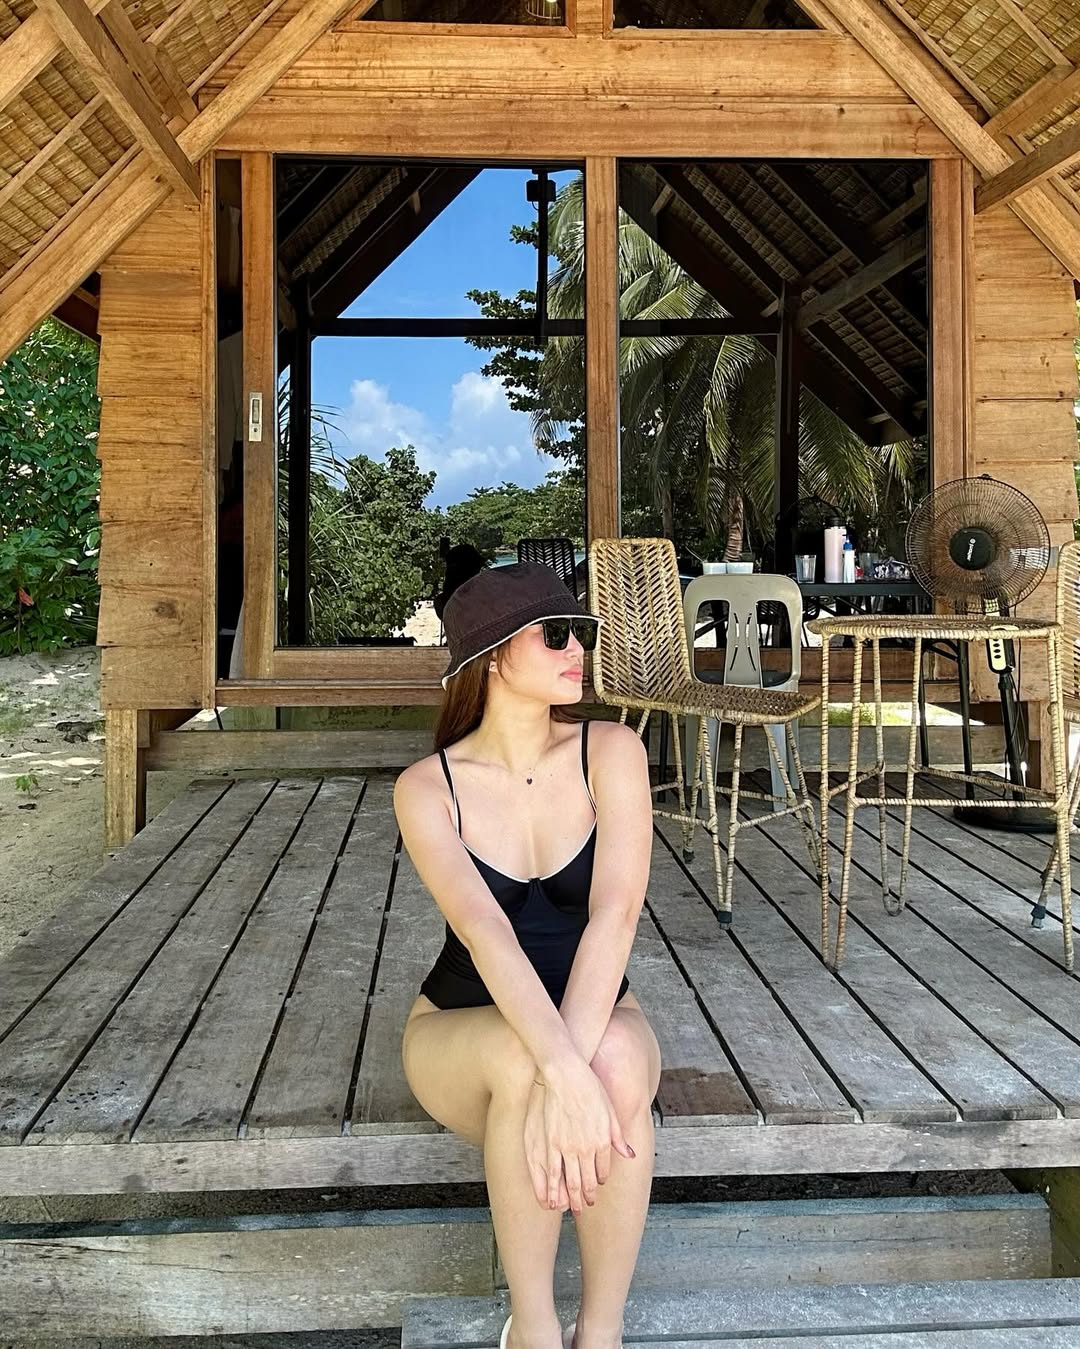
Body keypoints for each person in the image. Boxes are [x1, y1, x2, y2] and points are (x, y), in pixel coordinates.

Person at [394, 562, 661, 1349]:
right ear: (492, 655)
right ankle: (534, 1329)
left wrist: (571, 1070)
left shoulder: (611, 750)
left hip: (596, 1007)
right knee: (525, 1060)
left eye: (581, 631)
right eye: (555, 633)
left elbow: (616, 913)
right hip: (464, 1026)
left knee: (612, 1061)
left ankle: (601, 1332)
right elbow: (485, 930)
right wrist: (558, 1072)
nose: (578, 648)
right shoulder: (428, 787)